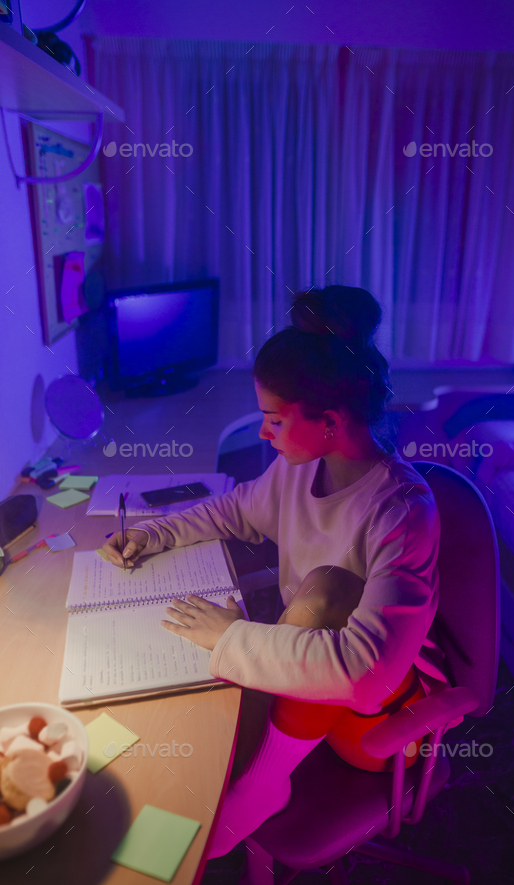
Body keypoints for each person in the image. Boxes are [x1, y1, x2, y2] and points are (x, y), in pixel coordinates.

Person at [102, 285, 452, 857]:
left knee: (326, 592)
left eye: (273, 419)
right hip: (307, 690)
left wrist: (233, 636)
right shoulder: (298, 470)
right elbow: (233, 509)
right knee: (203, 721)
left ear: (333, 422)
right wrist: (153, 532)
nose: (263, 433)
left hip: (383, 722)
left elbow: (368, 675)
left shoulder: (401, 511)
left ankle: (261, 786)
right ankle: (216, 784)